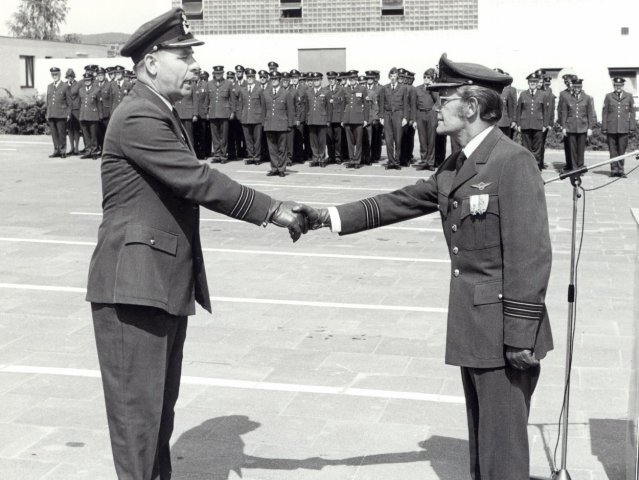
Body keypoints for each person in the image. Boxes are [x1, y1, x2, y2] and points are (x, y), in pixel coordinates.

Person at [294, 53, 553, 480]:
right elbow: (403, 201)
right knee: (485, 441)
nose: (435, 107)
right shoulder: (458, 162)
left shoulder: (512, 161)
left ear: (471, 106)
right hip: (476, 325)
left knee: (503, 448)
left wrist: (521, 335)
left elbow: (531, 255)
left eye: (444, 99)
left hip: (506, 331)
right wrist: (327, 216)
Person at [86, 8, 307, 480]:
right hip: (134, 288)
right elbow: (197, 180)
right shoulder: (139, 114)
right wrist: (273, 209)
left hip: (158, 284)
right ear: (151, 63)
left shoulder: (160, 112)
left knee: (156, 417)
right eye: (184, 56)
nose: (195, 66)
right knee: (138, 423)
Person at [262, 71, 295, 176]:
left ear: (280, 80)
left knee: (282, 148)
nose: (274, 81)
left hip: (282, 125)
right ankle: (274, 168)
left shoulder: (286, 93)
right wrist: (264, 123)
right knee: (272, 149)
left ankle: (281, 169)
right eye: (272, 79)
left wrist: (290, 124)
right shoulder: (266, 93)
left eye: (276, 79)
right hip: (270, 124)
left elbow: (290, 110)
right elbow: (263, 110)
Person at [602, 77, 636, 177]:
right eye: (616, 85)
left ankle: (620, 170)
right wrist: (604, 127)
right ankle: (614, 170)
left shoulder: (629, 96)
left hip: (624, 127)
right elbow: (605, 113)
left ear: (623, 86)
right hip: (611, 127)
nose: (618, 87)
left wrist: (632, 127)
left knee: (622, 150)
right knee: (612, 150)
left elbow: (632, 113)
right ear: (614, 86)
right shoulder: (608, 96)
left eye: (620, 85)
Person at [559, 78, 595, 170]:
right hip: (571, 127)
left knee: (581, 149)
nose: (577, 89)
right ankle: (574, 169)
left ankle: (580, 167)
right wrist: (564, 127)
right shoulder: (567, 98)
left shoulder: (587, 98)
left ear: (581, 87)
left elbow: (590, 114)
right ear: (573, 87)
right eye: (575, 87)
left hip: (583, 127)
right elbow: (564, 114)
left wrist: (590, 128)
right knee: (572, 150)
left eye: (579, 87)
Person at [378, 67, 409, 169]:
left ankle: (397, 162)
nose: (393, 78)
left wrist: (405, 117)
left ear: (397, 77)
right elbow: (381, 103)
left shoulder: (403, 88)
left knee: (398, 139)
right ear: (389, 77)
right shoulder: (384, 88)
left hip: (398, 114)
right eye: (391, 76)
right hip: (387, 115)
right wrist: (381, 117)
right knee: (388, 140)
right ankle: (391, 162)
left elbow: (405, 104)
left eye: (395, 76)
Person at [516, 72, 547, 170]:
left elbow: (545, 111)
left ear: (537, 83)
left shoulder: (543, 95)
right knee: (526, 148)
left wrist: (545, 125)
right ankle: (527, 167)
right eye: (530, 82)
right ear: (528, 83)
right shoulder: (523, 94)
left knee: (537, 148)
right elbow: (519, 110)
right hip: (525, 124)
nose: (532, 83)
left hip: (538, 125)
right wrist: (518, 124)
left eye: (534, 81)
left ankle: (536, 167)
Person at [206, 65, 235, 163]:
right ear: (214, 74)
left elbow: (232, 99)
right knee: (215, 136)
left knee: (224, 136)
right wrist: (206, 112)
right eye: (216, 73)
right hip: (213, 112)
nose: (218, 75)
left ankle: (223, 155)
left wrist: (232, 112)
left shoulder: (228, 83)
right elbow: (207, 99)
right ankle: (217, 155)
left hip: (224, 113)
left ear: (223, 73)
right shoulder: (209, 84)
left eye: (220, 73)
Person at [237, 68, 266, 165]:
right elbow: (240, 104)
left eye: (251, 77)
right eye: (248, 77)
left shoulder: (259, 90)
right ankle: (250, 156)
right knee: (248, 139)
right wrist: (240, 117)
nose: (249, 78)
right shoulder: (243, 90)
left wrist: (263, 119)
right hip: (246, 118)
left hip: (257, 118)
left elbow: (263, 105)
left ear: (254, 78)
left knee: (257, 139)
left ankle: (257, 157)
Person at [341, 70, 369, 169]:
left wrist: (366, 119)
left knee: (358, 141)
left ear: (356, 78)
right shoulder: (345, 89)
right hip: (348, 119)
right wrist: (342, 119)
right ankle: (351, 160)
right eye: (350, 78)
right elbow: (343, 105)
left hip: (358, 119)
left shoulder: (362, 89)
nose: (352, 80)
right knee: (350, 142)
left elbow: (366, 105)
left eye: (353, 78)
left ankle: (357, 160)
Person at [413, 68, 439, 171]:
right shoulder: (418, 89)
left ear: (432, 78)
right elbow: (414, 105)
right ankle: (424, 161)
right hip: (420, 114)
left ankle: (431, 162)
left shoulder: (434, 89)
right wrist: (414, 120)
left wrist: (432, 87)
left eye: (428, 77)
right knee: (422, 139)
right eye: (424, 77)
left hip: (431, 114)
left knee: (431, 139)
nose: (426, 79)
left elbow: (438, 101)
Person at [304, 72, 331, 167]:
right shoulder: (308, 92)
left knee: (322, 141)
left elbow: (329, 107)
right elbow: (307, 107)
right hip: (311, 119)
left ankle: (322, 159)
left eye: (317, 80)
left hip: (322, 120)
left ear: (321, 80)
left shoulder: (326, 92)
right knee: (313, 140)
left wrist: (328, 120)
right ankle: (315, 158)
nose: (316, 82)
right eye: (314, 80)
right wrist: (307, 118)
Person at [45, 67, 71, 158]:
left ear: (59, 75)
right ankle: (56, 150)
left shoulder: (65, 86)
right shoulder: (49, 86)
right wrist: (47, 113)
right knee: (54, 134)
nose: (54, 76)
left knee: (61, 134)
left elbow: (69, 102)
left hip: (61, 114)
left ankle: (63, 151)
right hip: (51, 114)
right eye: (53, 74)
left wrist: (68, 114)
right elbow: (48, 101)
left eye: (56, 74)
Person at [78, 71, 101, 159]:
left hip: (93, 116)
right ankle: (88, 152)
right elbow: (80, 103)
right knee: (86, 135)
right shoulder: (81, 90)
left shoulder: (96, 90)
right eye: (85, 80)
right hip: (83, 115)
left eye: (88, 80)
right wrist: (80, 115)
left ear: (91, 80)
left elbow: (99, 104)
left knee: (93, 135)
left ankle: (94, 152)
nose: (87, 81)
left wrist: (100, 115)